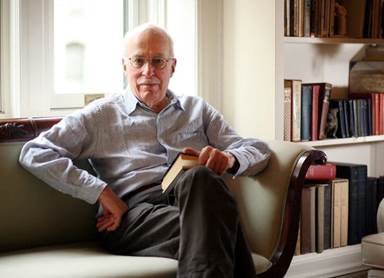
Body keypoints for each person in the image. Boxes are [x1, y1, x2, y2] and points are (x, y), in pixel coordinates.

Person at [19, 23, 271, 278]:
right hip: (133, 216)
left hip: (193, 205)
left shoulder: (198, 110)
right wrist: (101, 192)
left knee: (201, 179)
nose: (147, 71)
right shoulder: (99, 115)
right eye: (138, 61)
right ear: (124, 65)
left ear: (172, 66)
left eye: (158, 61)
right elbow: (35, 152)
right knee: (218, 223)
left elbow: (258, 150)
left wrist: (229, 158)